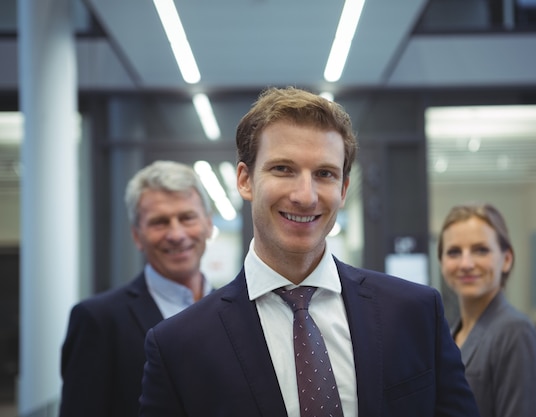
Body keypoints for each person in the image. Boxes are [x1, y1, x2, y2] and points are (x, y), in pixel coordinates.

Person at [139, 86, 480, 417]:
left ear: (344, 189)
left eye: (324, 174)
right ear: (245, 180)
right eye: (283, 169)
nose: (306, 195)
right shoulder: (179, 346)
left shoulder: (415, 313)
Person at [59, 160, 214, 417]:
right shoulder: (98, 320)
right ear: (136, 235)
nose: (176, 234)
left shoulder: (237, 310)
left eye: (187, 218)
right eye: (159, 222)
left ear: (208, 225)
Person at [437, 203, 536, 417]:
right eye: (454, 252)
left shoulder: (515, 332)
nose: (466, 263)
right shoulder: (452, 334)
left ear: (506, 259)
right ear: (441, 262)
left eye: (480, 250)